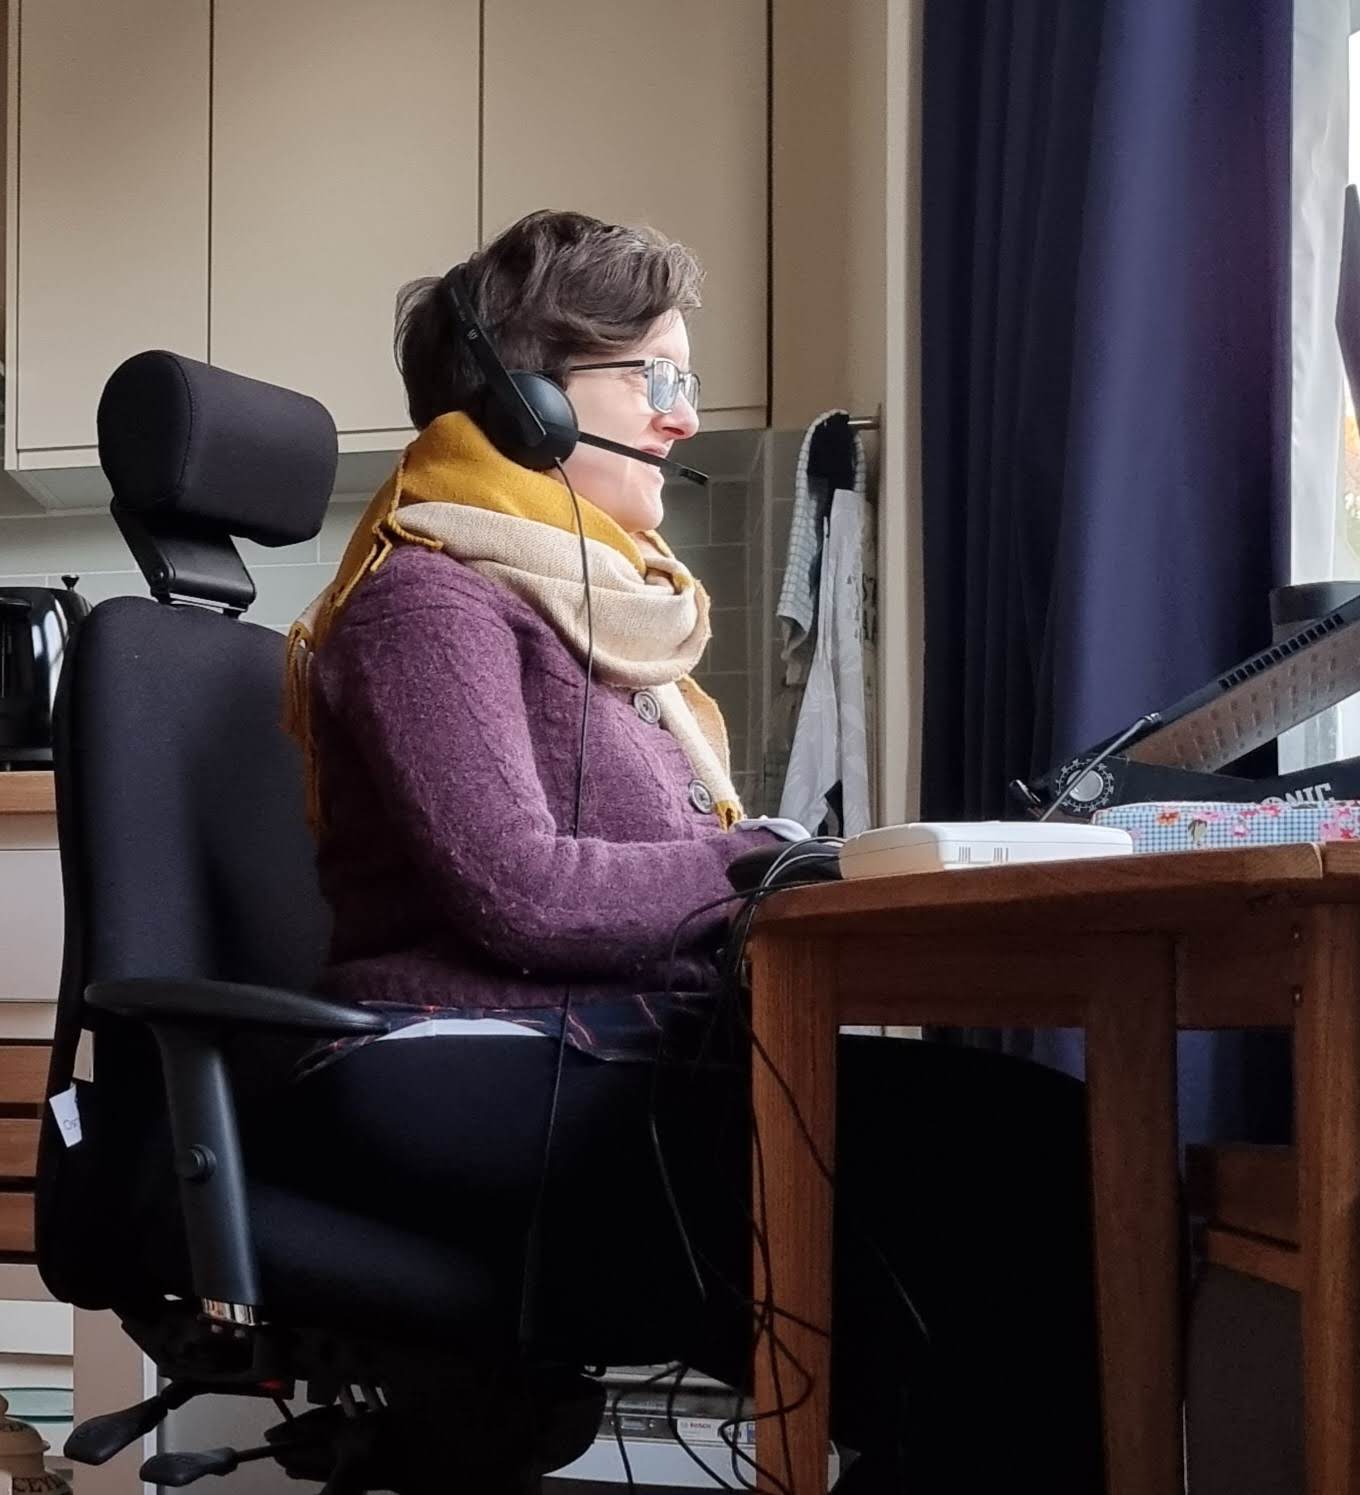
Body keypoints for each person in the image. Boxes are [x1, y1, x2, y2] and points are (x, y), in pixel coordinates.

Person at [278, 210, 1105, 1494]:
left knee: (1036, 1150)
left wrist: (775, 861)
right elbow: (522, 891)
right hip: (471, 1053)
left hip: (595, 1046)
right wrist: (766, 863)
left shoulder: (596, 615)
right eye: (652, 378)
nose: (678, 417)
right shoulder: (427, 600)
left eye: (686, 383)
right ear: (530, 402)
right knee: (1016, 1176)